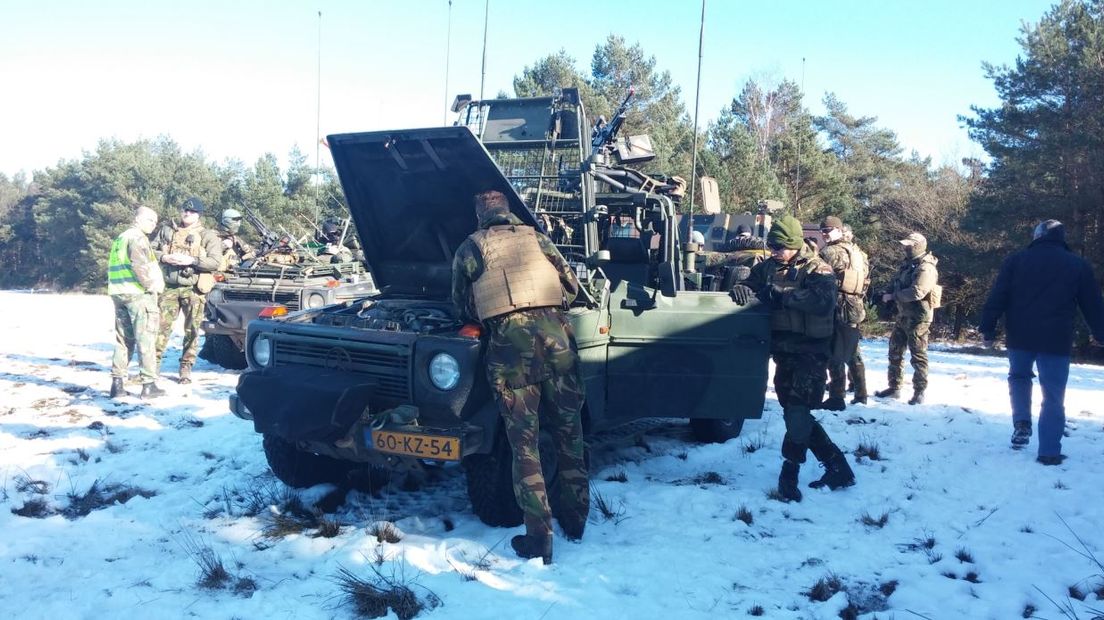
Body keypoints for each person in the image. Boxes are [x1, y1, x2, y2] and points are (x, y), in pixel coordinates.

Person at [451, 189, 589, 564]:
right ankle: (576, 521)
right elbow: (573, 288)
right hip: (557, 344)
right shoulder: (538, 238)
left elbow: (461, 304)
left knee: (524, 446)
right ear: (508, 212)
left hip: (511, 354)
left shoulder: (470, 248)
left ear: (480, 215)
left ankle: (539, 538)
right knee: (569, 433)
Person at [729, 214, 855, 502]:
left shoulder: (818, 269)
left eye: (780, 247)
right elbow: (752, 281)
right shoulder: (770, 265)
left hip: (811, 351)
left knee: (797, 413)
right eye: (772, 247)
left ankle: (790, 473)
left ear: (795, 245)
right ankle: (838, 466)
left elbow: (823, 303)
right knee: (794, 413)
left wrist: (783, 296)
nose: (775, 252)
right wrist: (743, 287)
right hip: (784, 351)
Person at [978, 220, 1104, 464]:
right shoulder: (1077, 265)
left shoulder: (1015, 260)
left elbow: (998, 295)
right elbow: (1093, 305)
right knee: (1054, 395)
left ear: (1037, 236)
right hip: (1056, 339)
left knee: (1019, 377)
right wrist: (1100, 333)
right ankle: (1049, 452)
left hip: (1019, 335)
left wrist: (988, 328)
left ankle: (1022, 422)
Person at [151, 197, 223, 384]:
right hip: (169, 288)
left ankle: (186, 368)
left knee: (191, 331)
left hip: (194, 289)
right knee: (160, 328)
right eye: (185, 210)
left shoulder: (208, 235)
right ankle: (153, 366)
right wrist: (165, 257)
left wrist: (192, 261)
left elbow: (215, 261)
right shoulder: (167, 230)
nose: (187, 213)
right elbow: (150, 251)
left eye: (191, 211)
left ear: (199, 215)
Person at [108, 206, 166, 399]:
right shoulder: (138, 238)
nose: (153, 225)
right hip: (138, 294)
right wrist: (151, 286)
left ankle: (117, 384)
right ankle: (148, 385)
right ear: (140, 219)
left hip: (119, 292)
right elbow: (139, 266)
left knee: (123, 340)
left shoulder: (121, 237)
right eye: (151, 221)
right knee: (146, 339)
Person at [875, 231, 940, 405]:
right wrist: (886, 292)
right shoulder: (907, 265)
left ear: (918, 246)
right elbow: (896, 283)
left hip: (919, 318)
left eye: (909, 246)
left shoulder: (926, 267)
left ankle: (919, 392)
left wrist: (893, 296)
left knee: (918, 355)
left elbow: (918, 291)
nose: (906, 248)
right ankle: (894, 387)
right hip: (903, 315)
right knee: (895, 352)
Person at [818, 217, 870, 410]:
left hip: (838, 304)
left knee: (835, 351)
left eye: (828, 230)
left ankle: (836, 396)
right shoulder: (858, 252)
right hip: (855, 304)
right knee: (853, 351)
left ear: (839, 231)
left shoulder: (829, 252)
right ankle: (861, 393)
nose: (824, 234)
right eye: (822, 230)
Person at [841, 224, 870, 404]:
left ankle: (861, 393)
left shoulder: (849, 254)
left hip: (847, 306)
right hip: (853, 305)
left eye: (845, 233)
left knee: (851, 351)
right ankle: (853, 385)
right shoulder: (858, 254)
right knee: (850, 349)